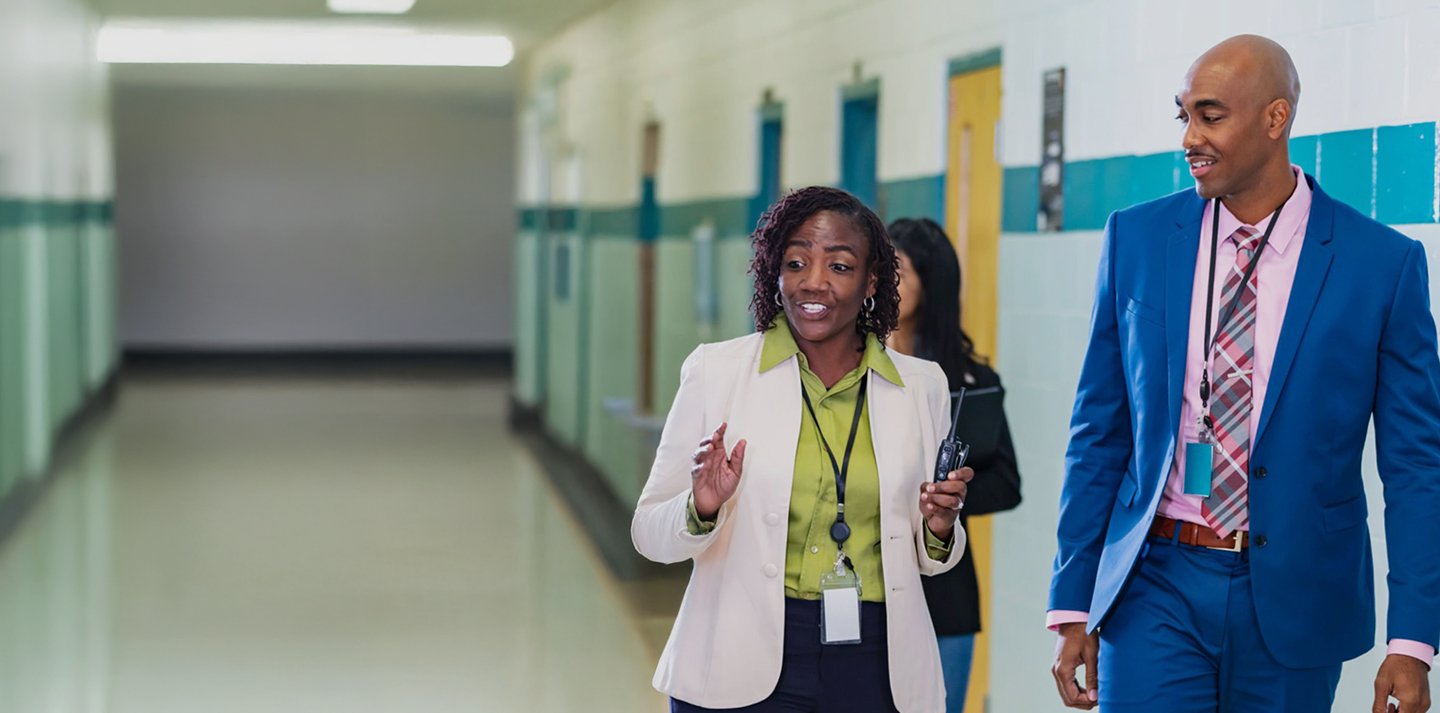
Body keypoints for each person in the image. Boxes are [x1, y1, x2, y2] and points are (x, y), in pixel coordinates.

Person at [1047, 34, 1440, 713]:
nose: (1190, 137)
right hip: (1156, 579)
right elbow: (1099, 430)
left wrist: (1412, 638)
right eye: (1184, 116)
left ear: (1275, 118)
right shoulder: (1137, 239)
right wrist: (1071, 599)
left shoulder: (1381, 264)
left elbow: (1416, 465)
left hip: (1296, 592)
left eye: (1210, 114)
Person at [633, 186, 972, 713]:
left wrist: (939, 527)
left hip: (876, 664)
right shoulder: (717, 373)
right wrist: (702, 506)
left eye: (839, 266)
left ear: (871, 282)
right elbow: (649, 532)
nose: (813, 282)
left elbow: (931, 561)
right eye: (796, 262)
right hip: (738, 661)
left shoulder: (922, 387)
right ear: (775, 272)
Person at [886, 217, 1022, 711]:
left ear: (931, 282)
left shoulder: (970, 379)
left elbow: (1007, 484)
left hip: (945, 595)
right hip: (864, 588)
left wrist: (943, 502)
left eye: (896, 269)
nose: (881, 281)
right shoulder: (849, 368)